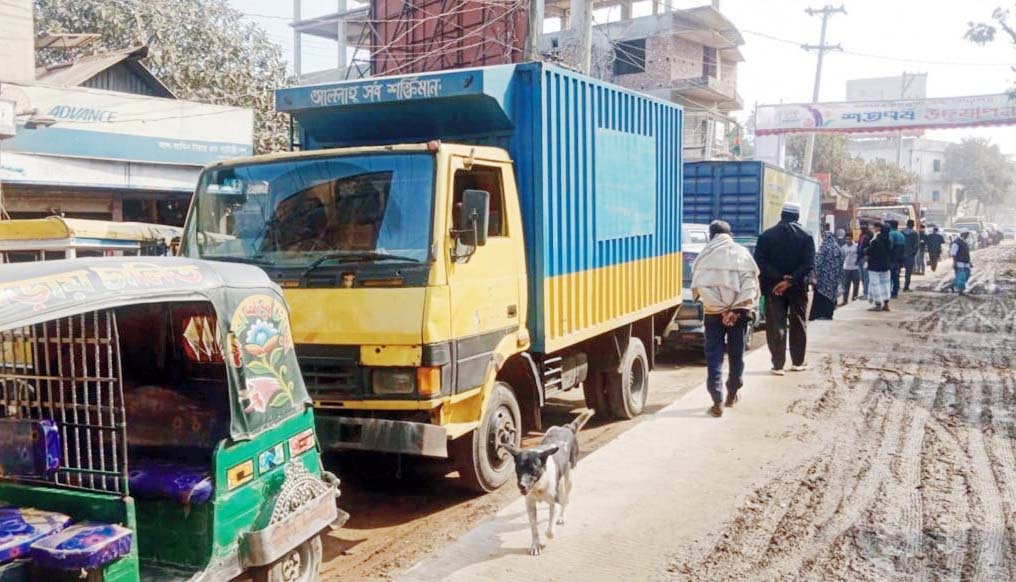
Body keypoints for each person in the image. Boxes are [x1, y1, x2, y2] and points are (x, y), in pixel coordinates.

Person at [691, 220, 760, 418]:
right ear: (730, 234)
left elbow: (702, 287)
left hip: (714, 314)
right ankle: (732, 393)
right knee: (736, 353)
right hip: (739, 314)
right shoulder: (742, 254)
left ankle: (717, 400)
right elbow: (750, 285)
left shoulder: (705, 257)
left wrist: (721, 311)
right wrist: (734, 311)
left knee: (714, 357)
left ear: (712, 235)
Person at [753, 201, 815, 376]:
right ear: (797, 216)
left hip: (773, 288)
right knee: (798, 323)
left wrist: (780, 279)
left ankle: (778, 365)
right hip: (797, 288)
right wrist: (791, 280)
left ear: (781, 215)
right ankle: (798, 362)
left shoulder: (766, 236)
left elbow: (760, 262)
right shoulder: (807, 236)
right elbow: (808, 264)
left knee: (775, 324)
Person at [810, 225, 843, 320]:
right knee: (831, 296)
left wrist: (814, 275)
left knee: (821, 295)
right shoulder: (838, 248)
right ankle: (829, 314)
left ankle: (820, 314)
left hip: (824, 278)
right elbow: (841, 263)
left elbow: (818, 262)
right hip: (834, 278)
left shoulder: (824, 247)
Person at [866, 222, 894, 311]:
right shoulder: (889, 240)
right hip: (886, 266)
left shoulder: (876, 240)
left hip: (874, 266)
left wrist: (864, 250)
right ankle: (886, 304)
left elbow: (869, 251)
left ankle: (878, 304)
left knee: (875, 284)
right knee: (885, 284)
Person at [840, 232, 861, 304]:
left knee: (856, 284)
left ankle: (854, 299)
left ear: (852, 239)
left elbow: (859, 255)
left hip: (855, 268)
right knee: (846, 285)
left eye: (849, 239)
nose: (848, 240)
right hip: (846, 268)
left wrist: (858, 262)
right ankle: (845, 300)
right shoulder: (843, 247)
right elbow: (842, 258)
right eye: (846, 239)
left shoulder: (856, 246)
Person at [888, 220, 905, 298]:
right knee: (896, 276)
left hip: (892, 258)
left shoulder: (891, 234)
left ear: (890, 225)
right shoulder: (901, 234)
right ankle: (895, 291)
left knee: (890, 276)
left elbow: (890, 246)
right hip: (900, 258)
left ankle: (889, 291)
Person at [901, 219, 920, 291]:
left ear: (907, 225)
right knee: (908, 272)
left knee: (897, 271)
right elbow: (916, 245)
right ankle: (906, 287)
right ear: (913, 225)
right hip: (910, 255)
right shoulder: (915, 234)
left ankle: (895, 287)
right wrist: (913, 253)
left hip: (901, 254)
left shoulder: (902, 232)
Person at [856, 222, 873, 299]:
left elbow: (870, 246)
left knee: (866, 277)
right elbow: (859, 246)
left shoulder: (870, 235)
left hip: (866, 258)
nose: (862, 227)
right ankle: (864, 292)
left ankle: (867, 293)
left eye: (863, 226)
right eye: (861, 226)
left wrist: (867, 255)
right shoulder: (861, 235)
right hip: (860, 258)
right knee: (862, 277)